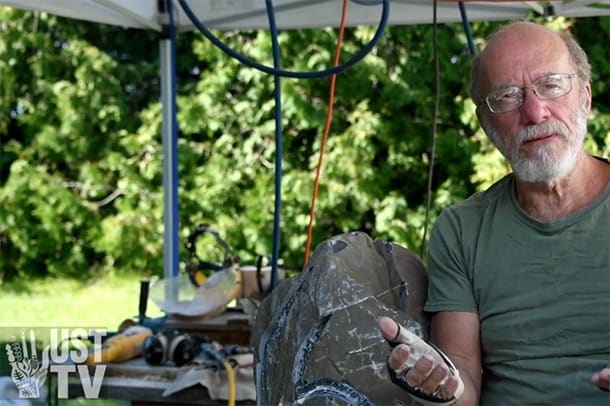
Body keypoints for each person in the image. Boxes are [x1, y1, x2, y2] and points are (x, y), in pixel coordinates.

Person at [378, 21, 610, 405]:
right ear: (484, 123)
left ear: (585, 97)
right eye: (506, 96)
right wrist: (443, 386)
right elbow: (463, 381)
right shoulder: (462, 230)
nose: (535, 113)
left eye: (551, 86)